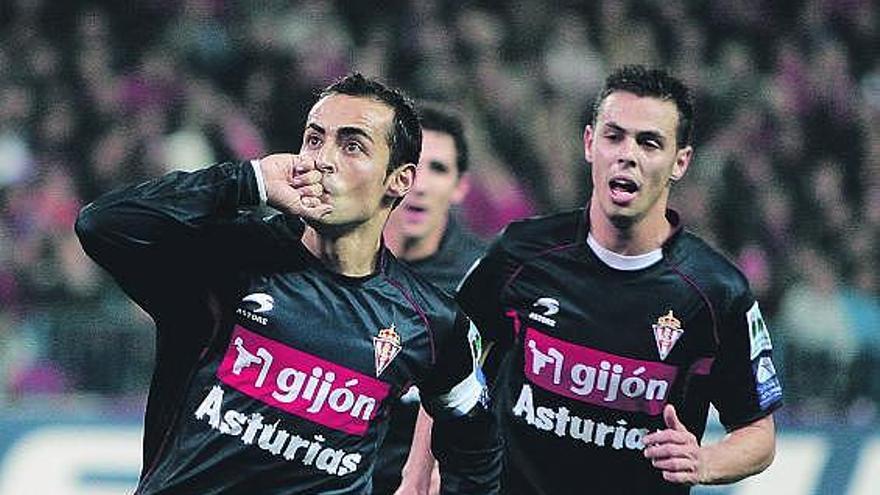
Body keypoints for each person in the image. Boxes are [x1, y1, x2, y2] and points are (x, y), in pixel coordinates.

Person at [75, 73, 501, 494]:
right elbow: (102, 226)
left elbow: (476, 449)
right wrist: (248, 181)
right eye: (315, 139)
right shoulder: (230, 258)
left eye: (351, 145)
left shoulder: (431, 322)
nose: (323, 158)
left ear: (399, 180)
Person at [454, 65, 783, 494]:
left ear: (679, 162)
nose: (627, 153)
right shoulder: (522, 253)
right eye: (614, 136)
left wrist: (703, 460)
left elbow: (759, 433)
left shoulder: (716, 292)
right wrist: (420, 473)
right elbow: (450, 365)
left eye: (649, 142)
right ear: (590, 143)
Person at [374, 105, 485, 495]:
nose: (420, 185)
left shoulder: (482, 279)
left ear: (460, 186)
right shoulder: (337, 253)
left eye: (438, 169)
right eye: (413, 166)